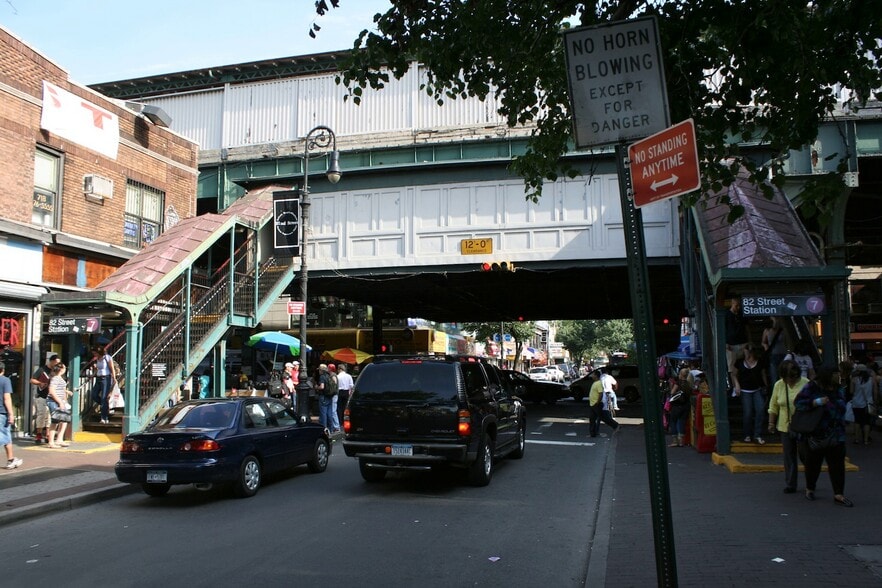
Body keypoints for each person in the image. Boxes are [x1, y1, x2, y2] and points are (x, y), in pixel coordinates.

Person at [795, 367, 852, 506]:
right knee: (813, 463)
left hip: (837, 432)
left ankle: (838, 493)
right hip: (816, 432)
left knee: (837, 464)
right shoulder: (812, 387)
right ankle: (810, 488)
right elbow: (799, 403)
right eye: (835, 374)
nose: (838, 376)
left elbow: (842, 405)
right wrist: (815, 402)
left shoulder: (839, 388)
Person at [767, 360, 808, 494]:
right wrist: (771, 423)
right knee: (789, 456)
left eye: (793, 377)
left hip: (803, 426)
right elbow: (773, 405)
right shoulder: (779, 385)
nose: (790, 380)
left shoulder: (806, 384)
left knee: (805, 455)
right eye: (788, 378)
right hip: (785, 425)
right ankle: (791, 484)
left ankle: (810, 482)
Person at [733, 342, 768, 444]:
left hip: (757, 389)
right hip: (745, 390)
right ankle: (747, 434)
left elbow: (763, 374)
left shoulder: (759, 362)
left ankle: (757, 434)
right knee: (747, 413)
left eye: (748, 351)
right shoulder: (740, 362)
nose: (746, 352)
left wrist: (765, 386)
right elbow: (734, 374)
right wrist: (737, 385)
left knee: (760, 410)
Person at [30, 353, 60, 443]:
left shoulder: (56, 371)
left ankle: (47, 434)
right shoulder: (42, 370)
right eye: (55, 362)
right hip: (42, 396)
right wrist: (40, 383)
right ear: (51, 361)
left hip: (51, 397)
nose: (57, 364)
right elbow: (32, 379)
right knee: (41, 415)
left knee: (49, 416)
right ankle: (38, 434)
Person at [1, 361, 23, 469]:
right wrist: (11, 413)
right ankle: (10, 460)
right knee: (5, 436)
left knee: (5, 437)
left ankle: (11, 459)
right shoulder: (5, 380)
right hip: (2, 413)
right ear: (3, 370)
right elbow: (7, 398)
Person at [725, 298, 749, 390]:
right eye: (736, 305)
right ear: (732, 303)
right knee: (732, 367)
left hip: (742, 342)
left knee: (746, 365)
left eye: (739, 306)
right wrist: (725, 343)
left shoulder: (742, 314)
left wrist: (749, 340)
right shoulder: (727, 315)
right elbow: (723, 329)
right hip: (731, 344)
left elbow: (746, 327)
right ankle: (735, 386)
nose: (738, 307)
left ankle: (744, 384)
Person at [850, 364, 876, 445]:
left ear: (858, 371)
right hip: (868, 404)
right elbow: (875, 392)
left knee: (857, 421)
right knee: (867, 422)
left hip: (856, 403)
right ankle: (865, 440)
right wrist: (875, 401)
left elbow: (851, 391)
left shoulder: (854, 380)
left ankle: (856, 439)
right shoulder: (872, 380)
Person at [89, 345, 116, 424]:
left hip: (106, 378)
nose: (94, 355)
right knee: (94, 394)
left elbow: (111, 368)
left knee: (104, 397)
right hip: (98, 378)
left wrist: (113, 378)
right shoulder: (97, 359)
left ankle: (104, 417)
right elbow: (98, 369)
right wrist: (93, 373)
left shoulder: (107, 357)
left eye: (95, 353)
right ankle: (106, 406)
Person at [46, 362, 71, 448]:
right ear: (61, 369)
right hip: (54, 401)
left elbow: (60, 390)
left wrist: (65, 400)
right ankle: (51, 442)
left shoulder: (60, 378)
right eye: (64, 367)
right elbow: (51, 391)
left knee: (64, 420)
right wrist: (60, 402)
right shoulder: (56, 378)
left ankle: (59, 439)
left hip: (60, 402)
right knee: (55, 421)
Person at [667, 367, 693, 447]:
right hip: (686, 405)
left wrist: (671, 387)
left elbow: (672, 393)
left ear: (680, 374)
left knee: (673, 421)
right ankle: (681, 441)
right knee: (682, 422)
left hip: (677, 406)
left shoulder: (678, 383)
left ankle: (675, 441)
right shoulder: (689, 384)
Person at [762, 317, 789, 386]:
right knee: (774, 376)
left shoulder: (782, 330)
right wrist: (766, 348)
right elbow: (763, 342)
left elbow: (787, 342)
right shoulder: (767, 331)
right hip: (773, 354)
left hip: (783, 353)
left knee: (784, 374)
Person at [597, 367, 620, 434]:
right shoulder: (609, 377)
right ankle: (615, 405)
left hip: (604, 393)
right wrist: (615, 388)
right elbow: (615, 383)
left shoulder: (600, 377)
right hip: (610, 392)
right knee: (614, 395)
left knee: (602, 412)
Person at [316, 364, 335, 429]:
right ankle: (331, 428)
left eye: (319, 370)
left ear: (321, 370)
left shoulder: (322, 377)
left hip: (323, 396)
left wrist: (316, 387)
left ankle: (323, 428)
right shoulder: (329, 375)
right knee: (329, 414)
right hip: (330, 396)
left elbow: (322, 387)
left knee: (323, 413)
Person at [336, 363, 354, 429]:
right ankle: (345, 421)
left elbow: (336, 386)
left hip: (339, 392)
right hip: (346, 392)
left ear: (340, 369)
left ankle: (340, 422)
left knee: (339, 408)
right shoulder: (349, 376)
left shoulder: (337, 376)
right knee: (345, 407)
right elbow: (351, 386)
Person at [587, 370, 603, 437]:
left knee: (600, 418)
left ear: (596, 375)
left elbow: (600, 393)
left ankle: (615, 425)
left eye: (593, 374)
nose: (592, 376)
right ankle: (592, 433)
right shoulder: (595, 383)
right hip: (592, 404)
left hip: (596, 404)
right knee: (592, 419)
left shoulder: (599, 383)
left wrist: (597, 402)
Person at [327, 364, 341, 433]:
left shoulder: (332, 375)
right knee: (332, 410)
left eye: (328, 367)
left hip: (334, 395)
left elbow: (334, 384)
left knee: (333, 411)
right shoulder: (333, 374)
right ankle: (335, 426)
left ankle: (336, 426)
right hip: (334, 395)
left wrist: (331, 390)